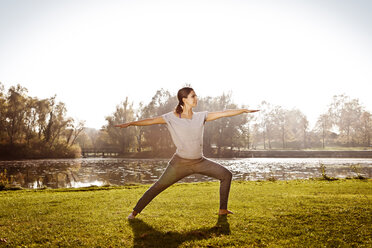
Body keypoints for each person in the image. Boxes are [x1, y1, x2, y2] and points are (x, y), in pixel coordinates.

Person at [115, 87, 259, 219]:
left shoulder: (201, 116)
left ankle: (223, 209)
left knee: (226, 175)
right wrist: (131, 123)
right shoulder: (171, 117)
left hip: (200, 162)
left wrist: (243, 110)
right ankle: (134, 212)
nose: (196, 98)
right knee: (158, 186)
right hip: (180, 164)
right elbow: (151, 120)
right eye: (193, 96)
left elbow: (223, 113)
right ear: (184, 99)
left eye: (195, 96)